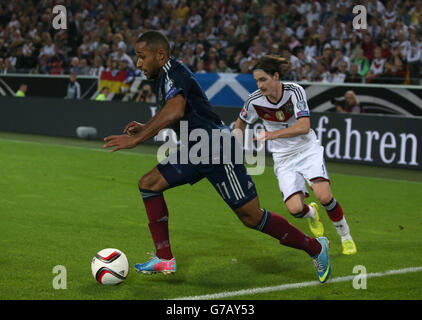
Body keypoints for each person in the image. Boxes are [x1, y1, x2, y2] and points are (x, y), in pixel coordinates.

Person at [103, 30, 331, 283]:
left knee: (252, 217)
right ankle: (164, 258)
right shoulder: (166, 76)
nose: (138, 63)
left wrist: (138, 137)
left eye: (142, 56)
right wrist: (145, 127)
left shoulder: (173, 72)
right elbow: (186, 114)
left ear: (160, 54)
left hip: (218, 149)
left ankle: (316, 248)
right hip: (197, 150)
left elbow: (176, 110)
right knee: (148, 184)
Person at [233, 55, 357, 255]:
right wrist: (234, 145)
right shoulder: (254, 100)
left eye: (263, 79)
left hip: (307, 149)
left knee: (324, 196)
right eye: (256, 80)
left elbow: (303, 126)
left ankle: (346, 236)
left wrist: (271, 135)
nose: (259, 84)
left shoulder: (294, 91)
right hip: (283, 157)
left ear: (275, 76)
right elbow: (241, 122)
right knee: (295, 210)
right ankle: (312, 213)